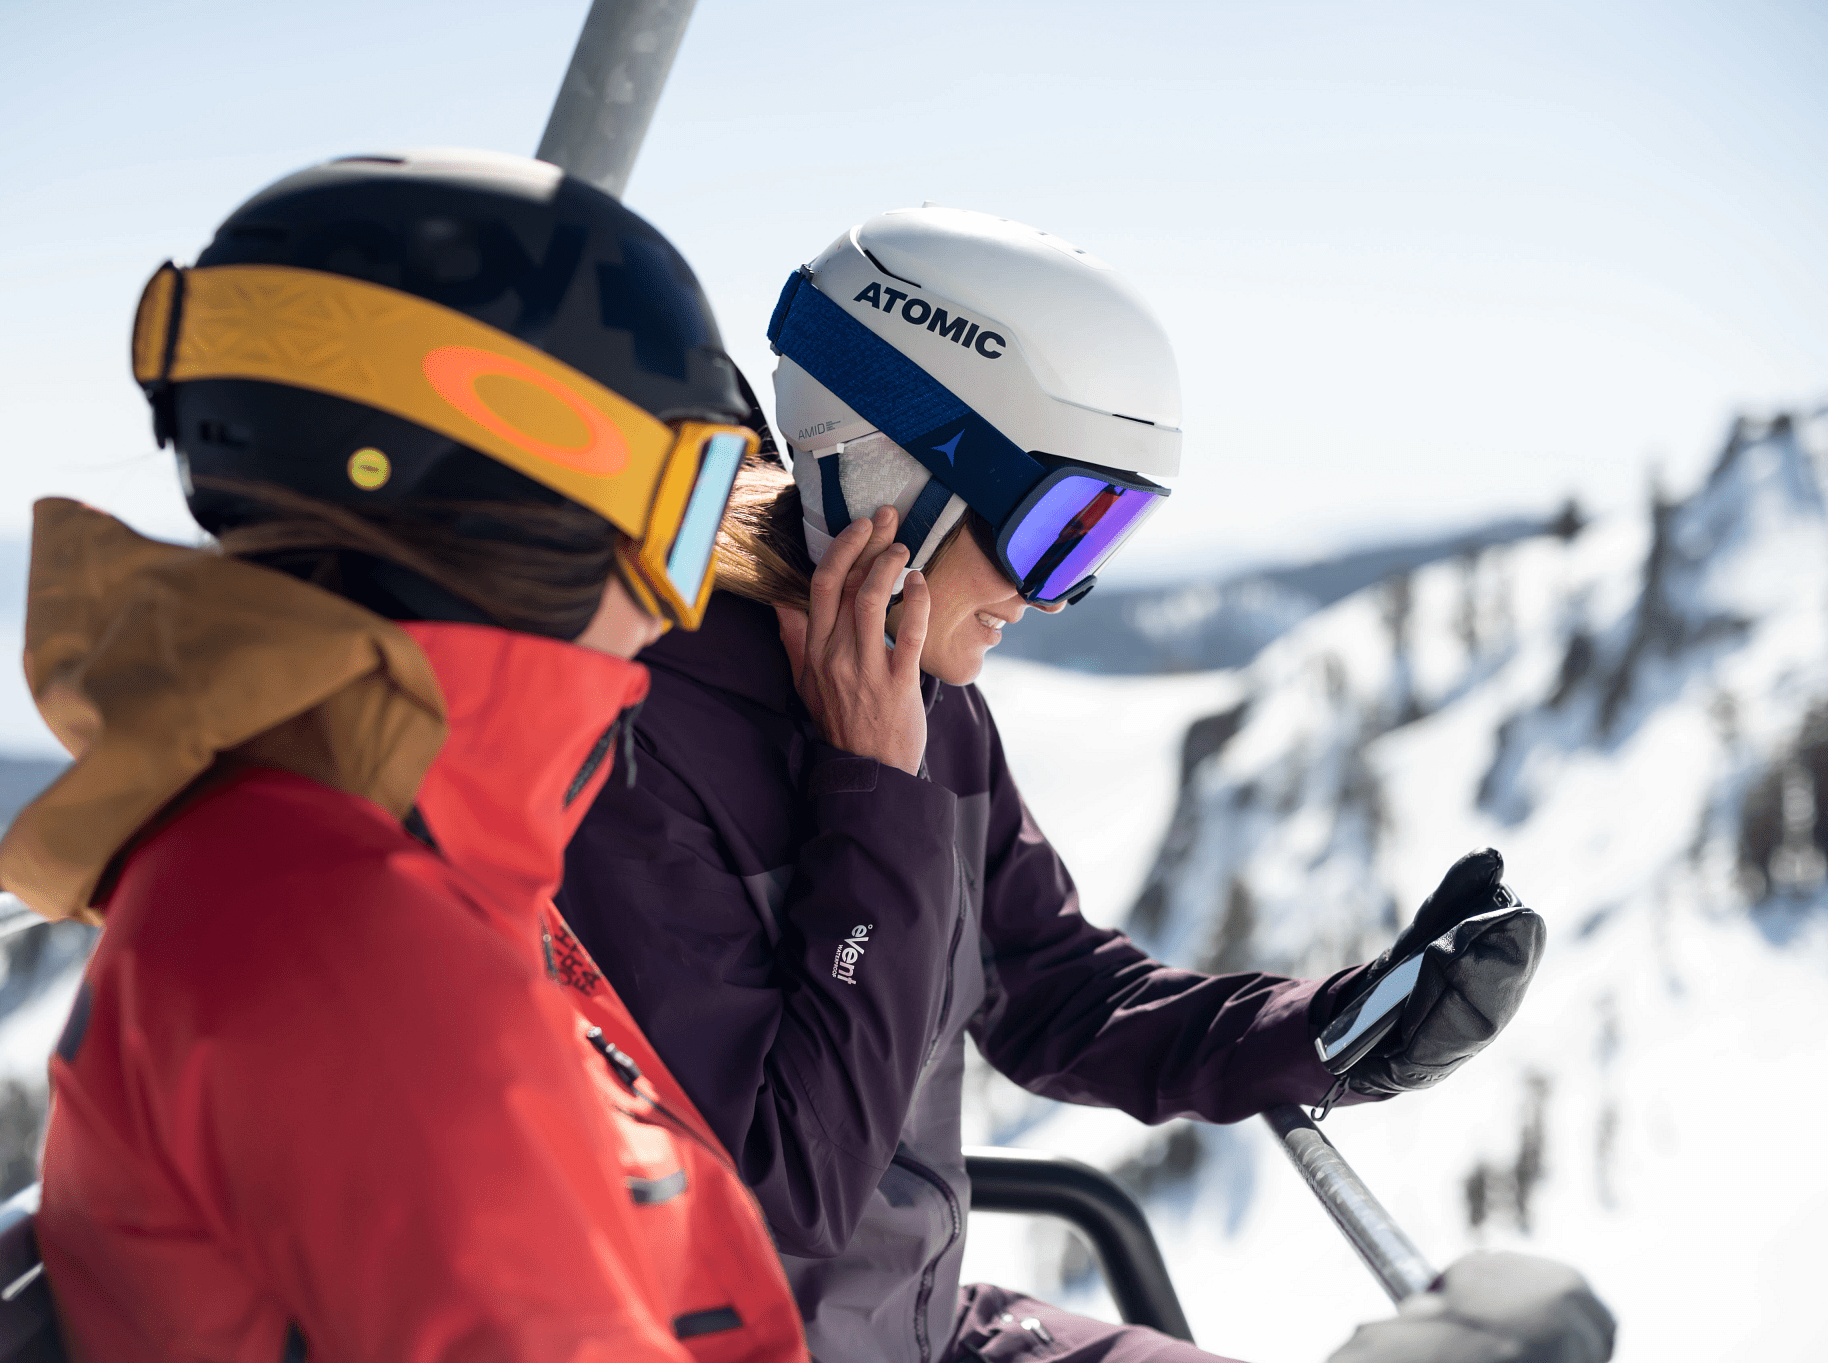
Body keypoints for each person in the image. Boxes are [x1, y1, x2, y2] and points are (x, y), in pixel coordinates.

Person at [555, 206, 1556, 1363]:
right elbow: (785, 1189)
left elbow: (1051, 988)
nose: (1045, 601)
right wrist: (869, 785)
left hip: (922, 1331)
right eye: (1054, 531)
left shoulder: (929, 703)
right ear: (892, 466)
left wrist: (1330, 1028)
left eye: (1102, 540)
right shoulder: (641, 740)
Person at [0, 150, 809, 1362]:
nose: (680, 606)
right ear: (529, 493)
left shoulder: (412, 866)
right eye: (692, 512)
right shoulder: (338, 932)